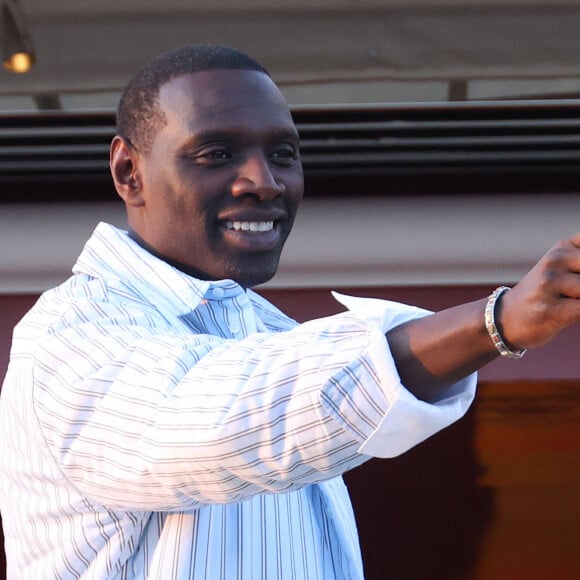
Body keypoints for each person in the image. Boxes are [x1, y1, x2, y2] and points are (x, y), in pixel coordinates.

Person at [1, 44, 579, 580]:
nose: (263, 181)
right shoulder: (68, 337)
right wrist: (497, 321)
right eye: (217, 153)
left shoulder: (270, 333)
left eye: (282, 153)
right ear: (130, 173)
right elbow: (232, 417)